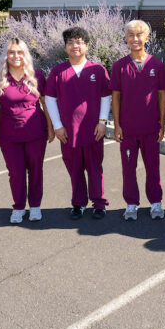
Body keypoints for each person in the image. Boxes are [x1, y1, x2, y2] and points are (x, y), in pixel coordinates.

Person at [0, 38, 54, 224]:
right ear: (5, 56)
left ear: (26, 55)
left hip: (36, 132)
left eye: (20, 52)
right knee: (15, 172)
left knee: (36, 170)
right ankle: (18, 207)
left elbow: (46, 103)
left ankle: (36, 206)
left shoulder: (36, 75)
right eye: (11, 52)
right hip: (9, 135)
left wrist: (51, 128)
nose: (16, 56)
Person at [45, 27, 112, 220]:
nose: (75, 46)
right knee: (74, 168)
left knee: (95, 167)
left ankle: (99, 203)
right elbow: (50, 99)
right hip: (68, 131)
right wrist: (57, 125)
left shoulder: (97, 69)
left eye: (79, 41)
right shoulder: (58, 72)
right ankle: (78, 203)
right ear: (66, 46)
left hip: (93, 130)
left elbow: (105, 96)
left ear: (87, 45)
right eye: (71, 42)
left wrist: (102, 122)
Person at [111, 20, 165, 221]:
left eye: (139, 35)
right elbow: (116, 97)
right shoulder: (119, 66)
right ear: (126, 38)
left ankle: (156, 202)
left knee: (153, 166)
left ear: (147, 38)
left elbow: (162, 96)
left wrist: (162, 123)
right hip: (128, 129)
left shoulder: (157, 65)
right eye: (131, 35)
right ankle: (131, 204)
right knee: (129, 167)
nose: (135, 39)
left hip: (151, 128)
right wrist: (117, 125)